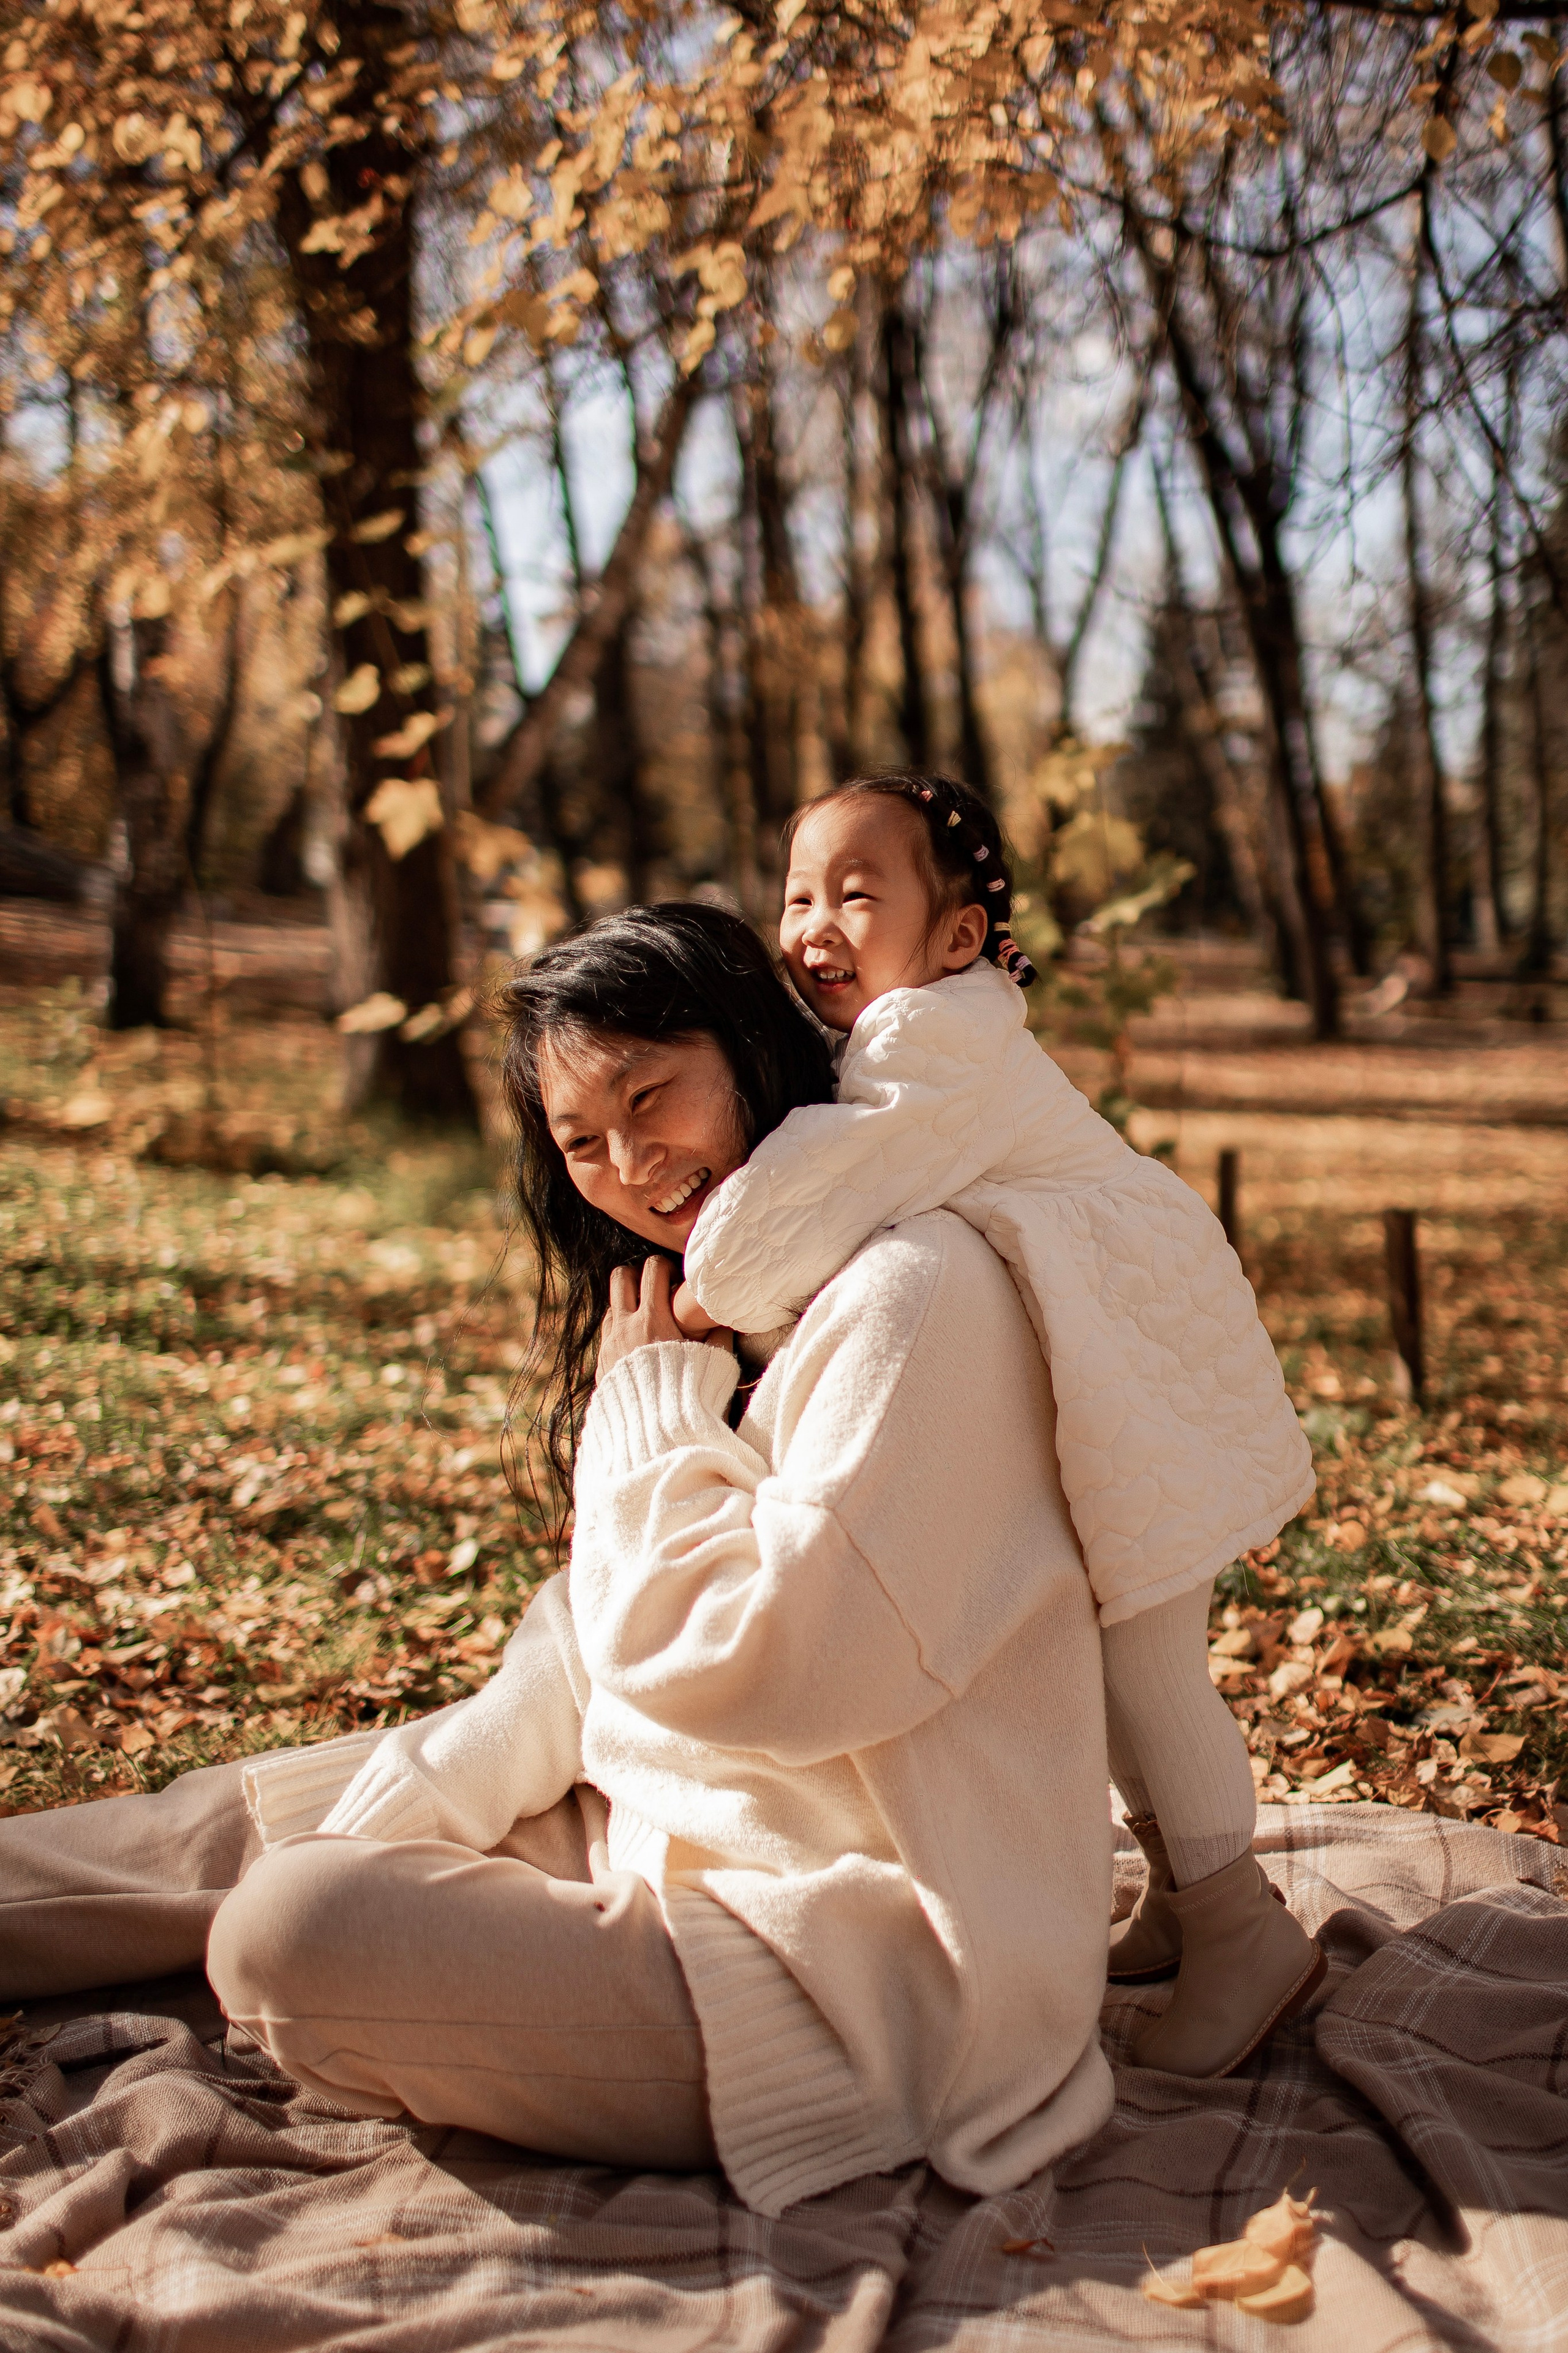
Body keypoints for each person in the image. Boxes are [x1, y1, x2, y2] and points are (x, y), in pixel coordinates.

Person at [0, 904, 1118, 2219]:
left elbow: (760, 1664)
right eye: (582, 1140)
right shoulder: (727, 1301)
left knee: (285, 1931)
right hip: (648, 1819)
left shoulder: (912, 1290)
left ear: (754, 1051)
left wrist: (648, 1415)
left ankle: (337, 1932)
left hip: (845, 1963)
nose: (632, 1165)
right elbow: (591, 1637)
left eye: (651, 1096)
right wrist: (408, 1804)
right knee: (235, 1827)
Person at [670, 774, 1324, 2078]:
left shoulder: (934, 1043)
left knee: (1149, 1668)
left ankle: (1243, 1931)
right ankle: (1184, 1895)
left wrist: (710, 1279)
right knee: (1110, 1658)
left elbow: (814, 1197)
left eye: (858, 894)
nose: (815, 923)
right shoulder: (911, 1034)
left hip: (1141, 1356)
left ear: (957, 935)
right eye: (798, 894)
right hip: (1111, 1348)